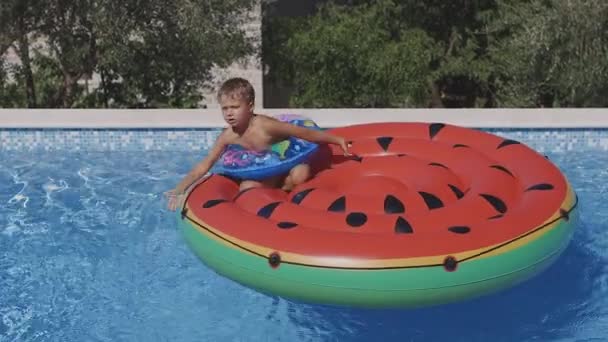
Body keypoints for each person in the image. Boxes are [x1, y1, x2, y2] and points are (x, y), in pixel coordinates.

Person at [165, 77, 351, 211]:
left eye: (235, 107)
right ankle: (279, 189)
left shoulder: (266, 127)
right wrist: (179, 189)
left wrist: (336, 140)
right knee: (246, 187)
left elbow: (302, 133)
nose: (229, 113)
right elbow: (205, 165)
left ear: (251, 106)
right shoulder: (228, 136)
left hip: (287, 160)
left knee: (300, 175)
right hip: (265, 166)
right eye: (225, 109)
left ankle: (287, 188)